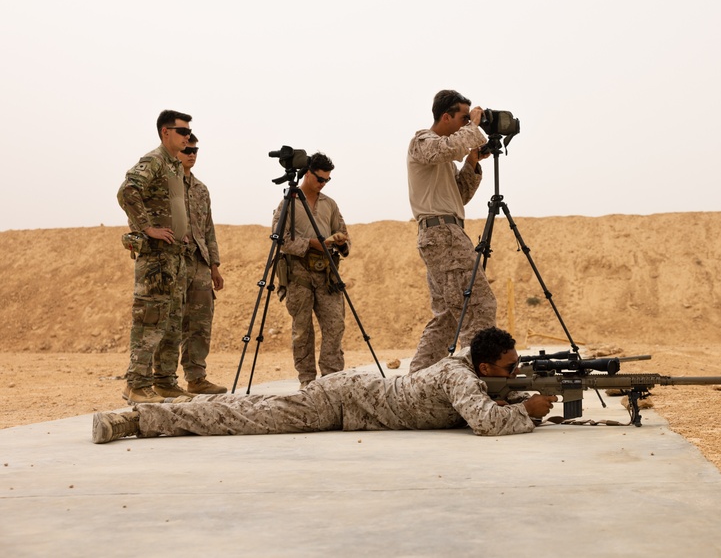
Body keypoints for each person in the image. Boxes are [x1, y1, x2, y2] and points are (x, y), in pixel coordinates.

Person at [92, 327, 558, 443]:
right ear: (483, 366)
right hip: (341, 402)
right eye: (509, 368)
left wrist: (523, 393)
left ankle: (154, 415)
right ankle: (134, 419)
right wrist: (528, 412)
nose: (514, 374)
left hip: (355, 397)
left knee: (249, 406)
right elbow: (487, 423)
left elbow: (493, 396)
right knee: (243, 417)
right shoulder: (460, 375)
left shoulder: (473, 373)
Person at [406, 89, 498, 373]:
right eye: (462, 118)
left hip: (446, 232)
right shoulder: (423, 141)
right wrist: (474, 127)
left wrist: (472, 161)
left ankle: (417, 381)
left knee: (447, 317)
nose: (466, 124)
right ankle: (473, 379)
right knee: (478, 308)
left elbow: (459, 196)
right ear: (445, 117)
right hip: (442, 234)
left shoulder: (443, 156)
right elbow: (446, 148)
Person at [117, 110, 193, 404]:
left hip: (175, 256)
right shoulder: (154, 160)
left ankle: (164, 383)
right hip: (156, 259)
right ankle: (136, 385)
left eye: (188, 131)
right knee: (150, 322)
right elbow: (127, 191)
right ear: (166, 132)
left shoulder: (173, 165)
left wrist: (180, 231)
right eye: (183, 131)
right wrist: (147, 227)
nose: (187, 136)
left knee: (172, 322)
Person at [272, 152, 351, 388]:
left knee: (335, 325)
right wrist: (310, 244)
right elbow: (279, 239)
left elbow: (344, 233)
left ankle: (331, 378)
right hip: (298, 274)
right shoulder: (288, 203)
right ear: (307, 174)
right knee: (302, 331)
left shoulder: (329, 204)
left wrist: (340, 242)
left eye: (327, 180)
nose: (323, 183)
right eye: (319, 178)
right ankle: (307, 380)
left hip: (326, 273)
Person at [170, 134, 228, 395]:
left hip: (200, 262)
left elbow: (208, 229)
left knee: (201, 323)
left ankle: (196, 378)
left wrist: (214, 266)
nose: (191, 154)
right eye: (187, 150)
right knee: (171, 322)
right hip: (174, 261)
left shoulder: (201, 189)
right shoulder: (166, 184)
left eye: (195, 150)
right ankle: (165, 380)